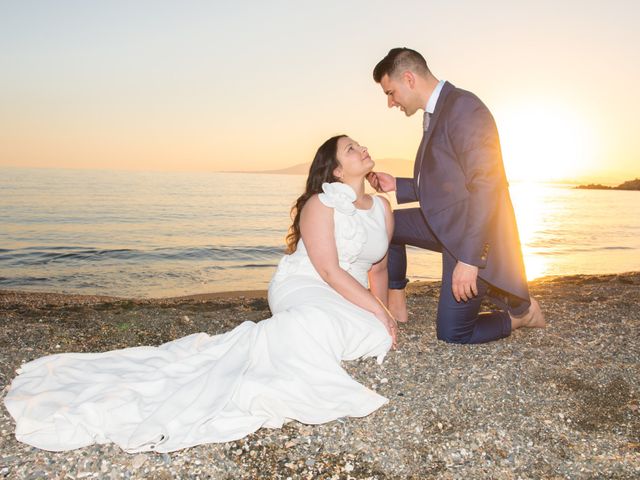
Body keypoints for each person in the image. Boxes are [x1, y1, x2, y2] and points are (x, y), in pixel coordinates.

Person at [4, 135, 398, 453]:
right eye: (351, 148)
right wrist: (379, 309)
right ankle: (253, 360)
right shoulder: (320, 204)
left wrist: (382, 313)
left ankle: (298, 342)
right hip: (307, 284)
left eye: (359, 145)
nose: (362, 148)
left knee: (376, 335)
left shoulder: (381, 207)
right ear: (335, 169)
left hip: (346, 292)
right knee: (313, 322)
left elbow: (377, 267)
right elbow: (328, 270)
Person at [367, 47, 545, 344]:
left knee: (453, 333)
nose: (390, 102)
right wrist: (398, 185)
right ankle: (396, 302)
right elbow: (449, 183)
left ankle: (520, 315)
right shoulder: (439, 110)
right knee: (386, 227)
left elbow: (488, 185)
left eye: (391, 92)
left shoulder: (464, 108)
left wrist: (469, 258)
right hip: (446, 222)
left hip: (468, 236)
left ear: (408, 78)